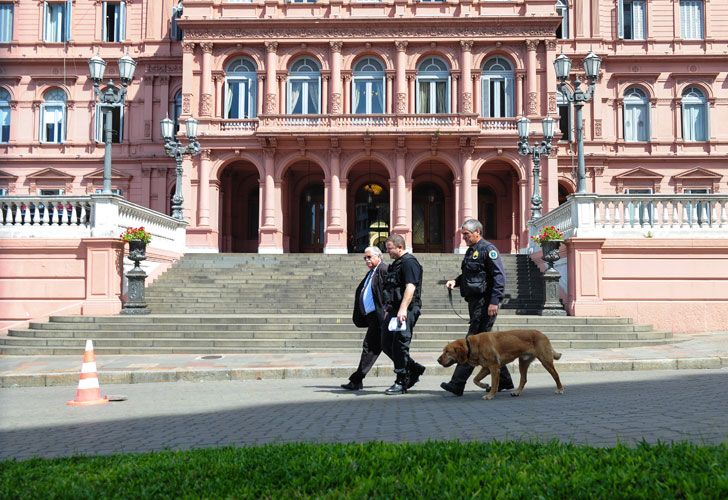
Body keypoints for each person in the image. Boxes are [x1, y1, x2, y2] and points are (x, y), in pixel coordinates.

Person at [440, 219, 515, 396]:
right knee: (484, 346)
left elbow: (499, 277)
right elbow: (469, 275)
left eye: (466, 234)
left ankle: (457, 383)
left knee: (471, 344)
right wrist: (455, 282)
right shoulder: (471, 251)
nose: (464, 237)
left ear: (477, 232)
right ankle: (505, 381)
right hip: (475, 304)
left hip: (485, 304)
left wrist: (494, 302)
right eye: (463, 234)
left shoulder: (488, 250)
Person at [380, 233, 426, 395]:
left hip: (406, 309)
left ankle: (401, 380)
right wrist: (389, 309)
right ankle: (414, 368)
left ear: (400, 247)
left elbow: (410, 287)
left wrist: (403, 309)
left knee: (400, 344)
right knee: (385, 343)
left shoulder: (409, 263)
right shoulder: (396, 263)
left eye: (390, 248)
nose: (388, 252)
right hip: (394, 310)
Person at [341, 246, 389, 390]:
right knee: (385, 348)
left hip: (380, 317)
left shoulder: (384, 270)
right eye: (365, 258)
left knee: (372, 347)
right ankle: (412, 369)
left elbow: (389, 293)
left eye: (369, 257)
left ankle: (356, 380)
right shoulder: (372, 272)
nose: (367, 260)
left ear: (379, 256)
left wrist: (386, 311)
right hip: (373, 317)